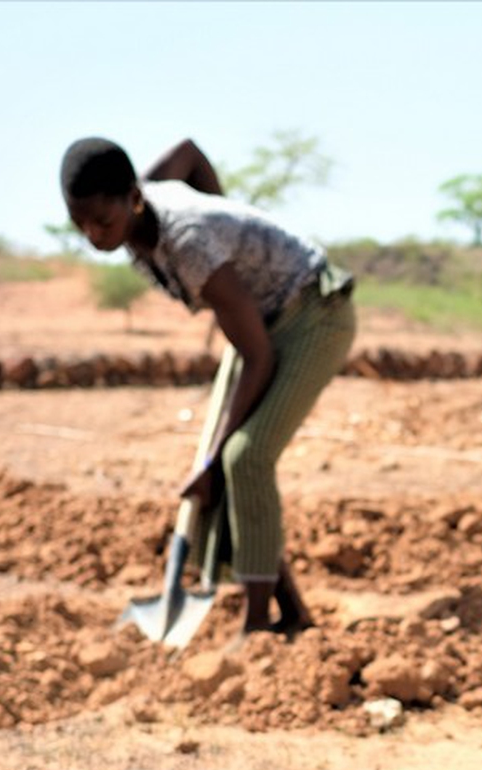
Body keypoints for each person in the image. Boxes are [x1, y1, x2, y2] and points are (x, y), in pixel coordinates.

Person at [59, 137, 357, 640]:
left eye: (103, 223)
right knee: (228, 465)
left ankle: (258, 625)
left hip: (315, 315)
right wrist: (230, 243)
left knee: (243, 457)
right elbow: (189, 152)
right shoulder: (140, 206)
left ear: (132, 199)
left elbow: (258, 356)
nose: (93, 235)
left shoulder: (190, 241)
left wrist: (213, 460)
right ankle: (294, 614)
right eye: (80, 223)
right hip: (261, 322)